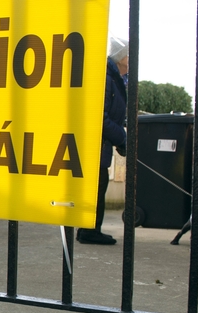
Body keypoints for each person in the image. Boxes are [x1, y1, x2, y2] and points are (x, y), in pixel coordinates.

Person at [77, 36, 129, 245]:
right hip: (94, 144)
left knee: (99, 184)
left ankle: (90, 229)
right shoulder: (107, 77)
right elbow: (100, 117)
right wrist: (122, 137)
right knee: (97, 185)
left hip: (103, 144)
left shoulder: (117, 78)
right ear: (121, 57)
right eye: (129, 54)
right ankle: (89, 230)